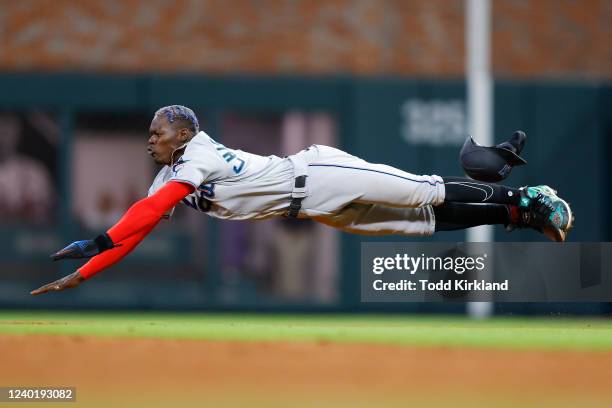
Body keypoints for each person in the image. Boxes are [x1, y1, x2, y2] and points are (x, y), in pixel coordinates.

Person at [31, 105, 573, 295]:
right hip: (313, 208)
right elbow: (139, 231)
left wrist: (98, 239)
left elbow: (143, 215)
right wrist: (83, 274)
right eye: (150, 132)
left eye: (158, 131)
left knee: (421, 191)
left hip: (315, 174)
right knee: (417, 226)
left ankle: (526, 194)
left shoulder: (195, 154)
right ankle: (518, 215)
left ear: (182, 131)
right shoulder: (169, 171)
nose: (150, 139)